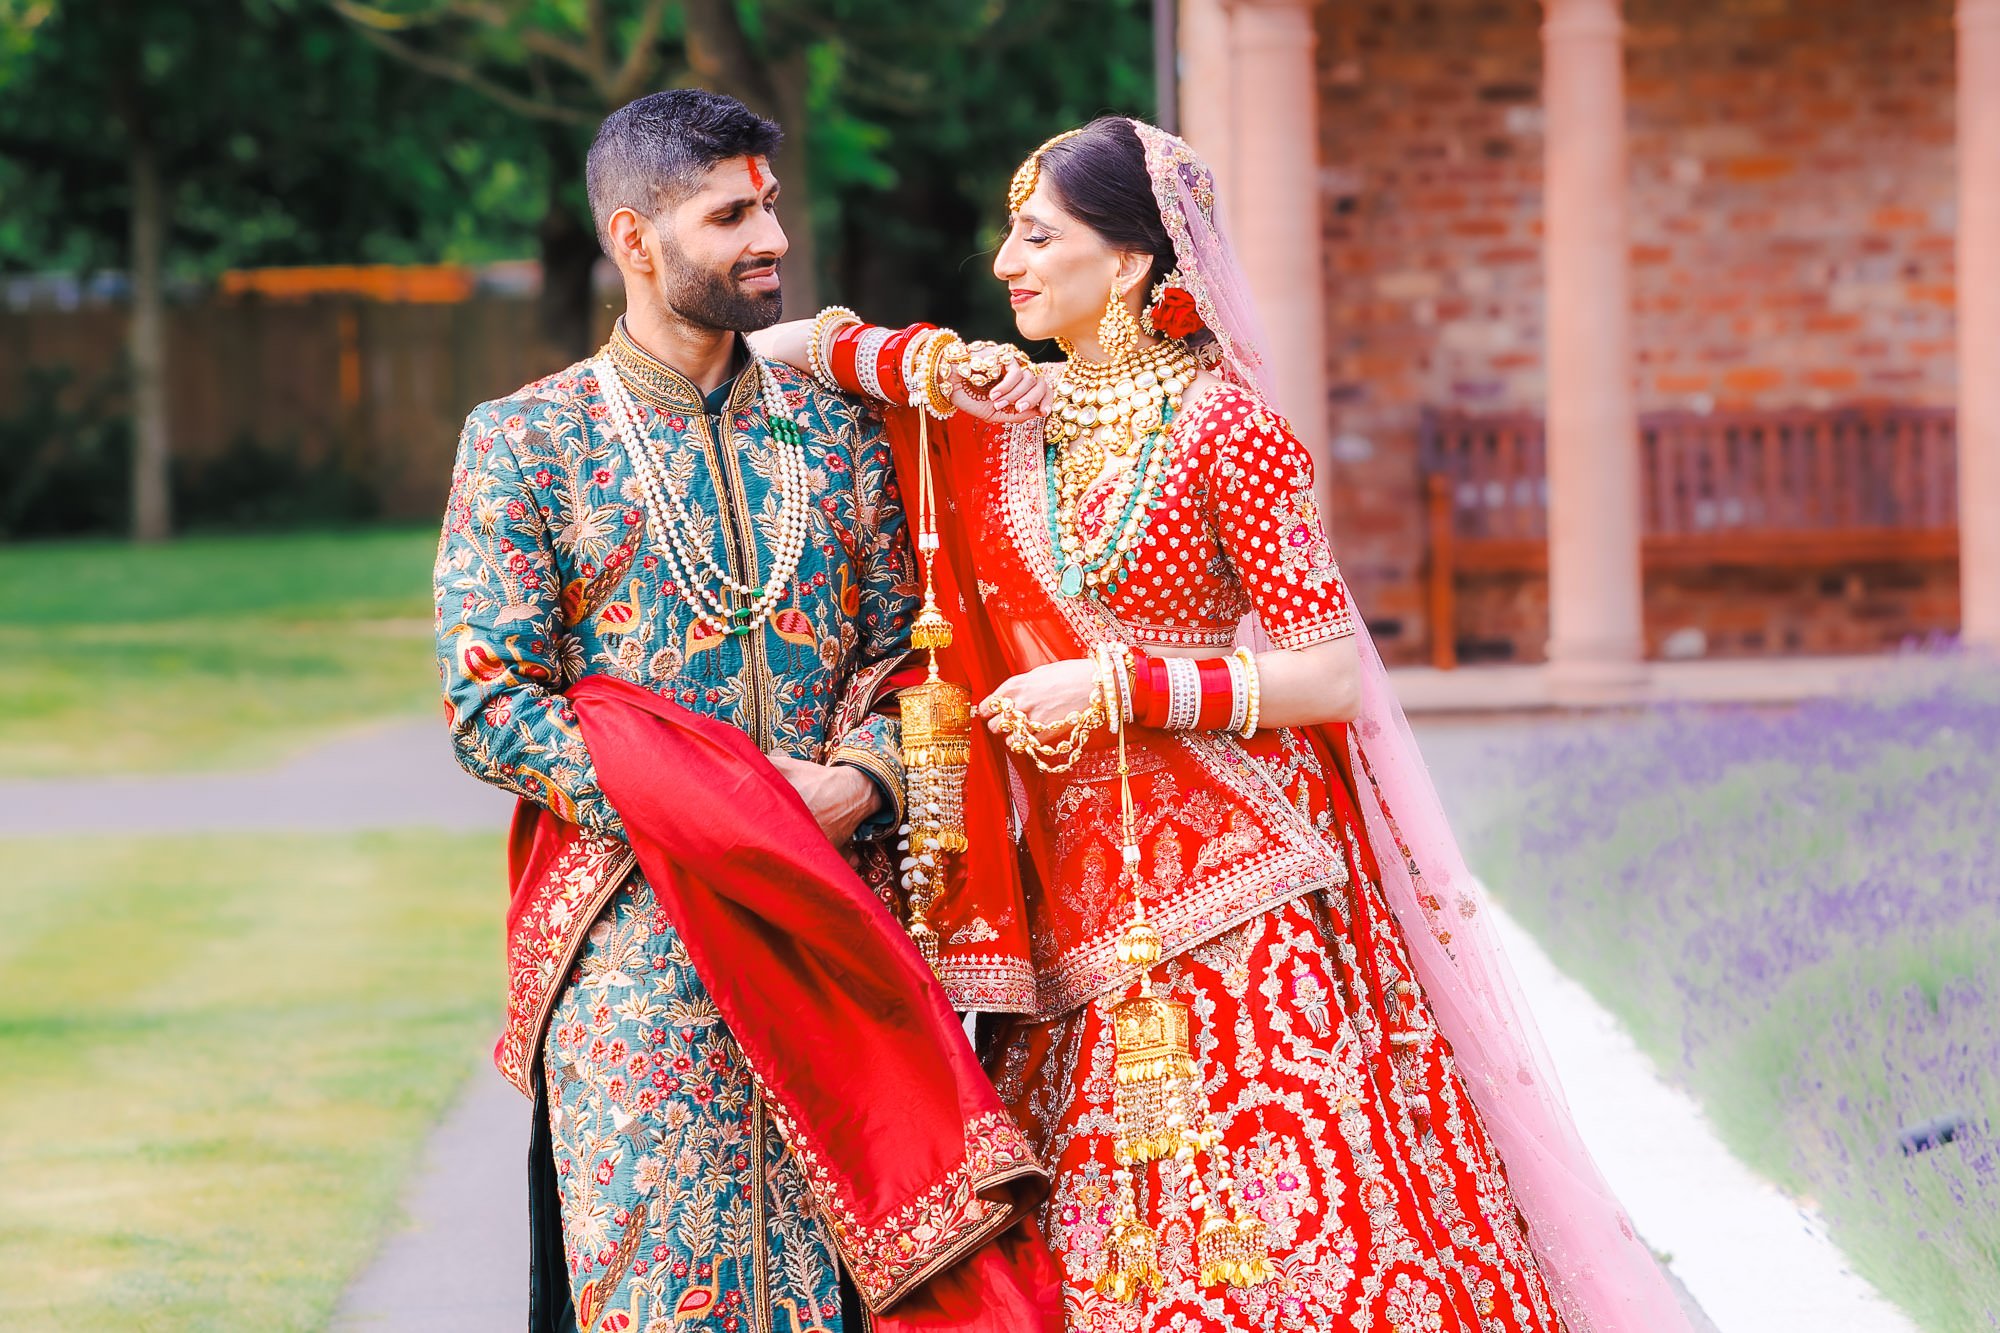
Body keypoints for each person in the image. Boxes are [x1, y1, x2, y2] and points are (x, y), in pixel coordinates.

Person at [754, 117, 1693, 1332]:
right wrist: (921, 361)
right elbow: (772, 352)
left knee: (1297, 1246)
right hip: (1077, 916)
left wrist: (1118, 688)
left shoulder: (1227, 430)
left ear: (1134, 263)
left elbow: (1323, 677)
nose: (1004, 264)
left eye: (1037, 236)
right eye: (1006, 236)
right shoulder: (1005, 416)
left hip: (1240, 898)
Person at [433, 89, 1058, 1333]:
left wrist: (864, 782)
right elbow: (489, 702)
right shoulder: (527, 443)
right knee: (666, 1286)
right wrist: (723, 811)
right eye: (729, 216)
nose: (768, 234)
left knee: (864, 1286)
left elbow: (914, 658)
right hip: (640, 943)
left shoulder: (836, 437)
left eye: (767, 205)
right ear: (633, 238)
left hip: (843, 922)